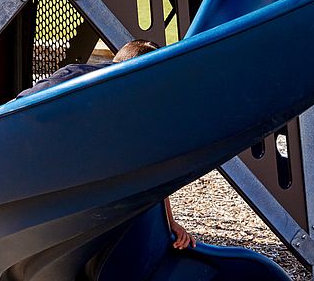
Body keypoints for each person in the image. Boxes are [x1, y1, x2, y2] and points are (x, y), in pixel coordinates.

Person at [15, 39, 195, 250]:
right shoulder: (82, 76)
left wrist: (168, 222)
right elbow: (22, 104)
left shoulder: (135, 109)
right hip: (39, 163)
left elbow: (154, 164)